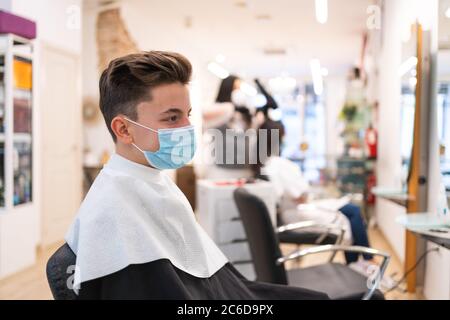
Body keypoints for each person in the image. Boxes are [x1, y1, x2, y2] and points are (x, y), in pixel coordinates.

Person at [64, 51, 328, 300]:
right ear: (123, 129)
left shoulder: (151, 180)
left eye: (187, 115)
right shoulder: (111, 211)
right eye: (172, 118)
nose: (188, 128)